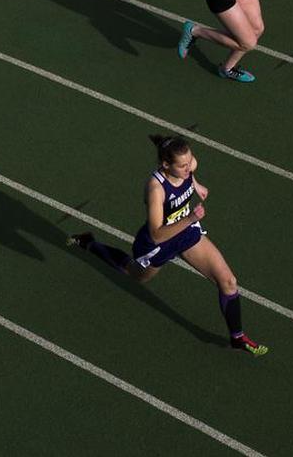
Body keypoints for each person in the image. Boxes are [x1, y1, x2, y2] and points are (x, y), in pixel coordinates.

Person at [68, 135, 267, 355]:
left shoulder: (188, 166)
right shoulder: (156, 189)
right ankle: (90, 243)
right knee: (134, 274)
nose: (188, 167)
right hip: (158, 244)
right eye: (182, 166)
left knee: (228, 281)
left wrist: (195, 184)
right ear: (165, 165)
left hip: (185, 234)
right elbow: (157, 235)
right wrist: (190, 219)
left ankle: (237, 337)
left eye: (189, 162)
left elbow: (189, 173)